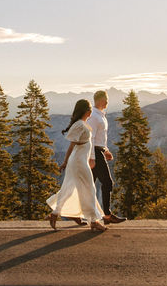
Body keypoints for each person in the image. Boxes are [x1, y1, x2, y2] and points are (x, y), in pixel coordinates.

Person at [46, 99, 108, 232]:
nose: (92, 111)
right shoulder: (80, 125)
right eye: (90, 109)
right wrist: (65, 162)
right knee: (89, 189)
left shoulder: (82, 123)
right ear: (86, 111)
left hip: (80, 161)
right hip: (79, 162)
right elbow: (72, 145)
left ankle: (54, 214)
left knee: (69, 189)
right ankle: (94, 221)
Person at [88, 89, 125, 223]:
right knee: (107, 182)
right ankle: (107, 215)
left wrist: (106, 150)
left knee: (89, 185)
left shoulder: (100, 115)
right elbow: (90, 138)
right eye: (106, 100)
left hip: (99, 151)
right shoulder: (94, 116)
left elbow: (100, 137)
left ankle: (84, 214)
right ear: (101, 100)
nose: (108, 102)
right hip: (95, 154)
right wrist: (92, 157)